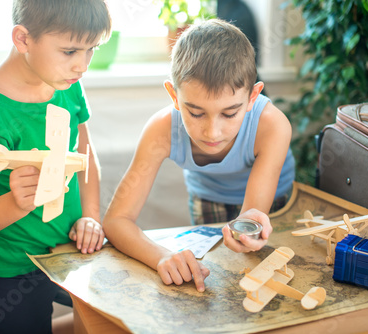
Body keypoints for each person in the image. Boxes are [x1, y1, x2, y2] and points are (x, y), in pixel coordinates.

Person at [0, 1, 111, 333]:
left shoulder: (67, 83)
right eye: (69, 51)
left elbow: (85, 156)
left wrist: (90, 215)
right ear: (23, 39)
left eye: (91, 49)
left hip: (69, 252)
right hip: (9, 271)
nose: (83, 65)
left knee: (103, 323)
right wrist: (15, 202)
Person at [102, 19, 295, 293]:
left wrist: (250, 230)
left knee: (264, 274)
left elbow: (253, 216)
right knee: (213, 277)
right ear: (174, 95)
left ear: (253, 97)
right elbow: (115, 220)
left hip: (278, 200)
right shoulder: (160, 130)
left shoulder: (273, 125)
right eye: (195, 112)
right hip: (207, 198)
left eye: (229, 113)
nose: (212, 132)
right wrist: (162, 256)